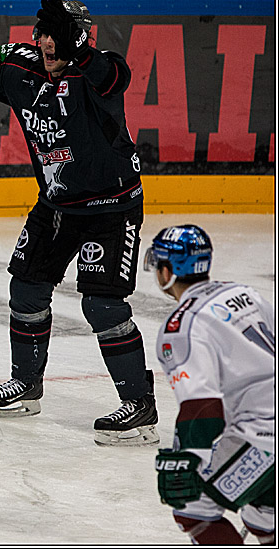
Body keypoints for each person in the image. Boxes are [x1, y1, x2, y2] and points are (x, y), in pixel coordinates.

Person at [0, 0, 157, 447]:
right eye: (42, 33)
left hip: (111, 207)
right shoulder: (24, 68)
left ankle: (139, 404)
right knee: (25, 286)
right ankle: (27, 383)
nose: (44, 42)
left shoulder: (98, 70)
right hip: (57, 205)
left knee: (102, 306)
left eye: (54, 34)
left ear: (77, 37)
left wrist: (77, 46)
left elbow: (115, 76)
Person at [144, 224, 275, 545]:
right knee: (262, 513)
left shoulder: (182, 325)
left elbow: (202, 406)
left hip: (264, 436)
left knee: (192, 508)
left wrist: (186, 458)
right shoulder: (243, 292)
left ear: (166, 272)